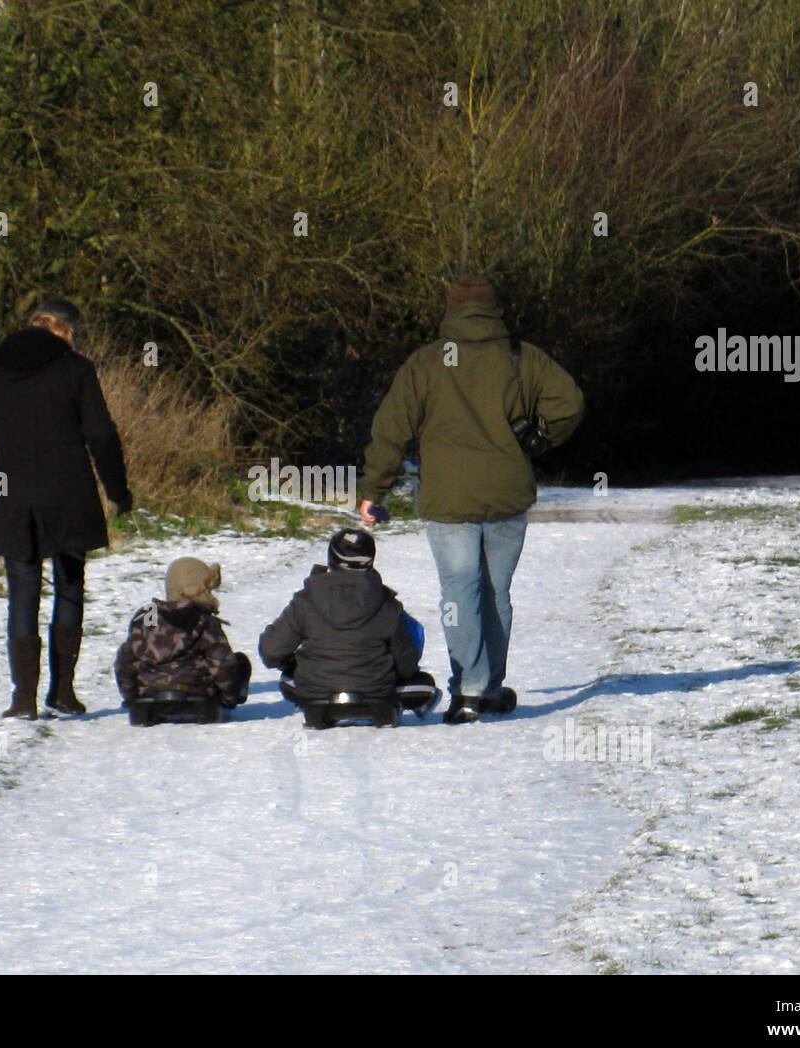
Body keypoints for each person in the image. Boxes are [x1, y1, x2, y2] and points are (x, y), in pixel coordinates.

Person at [354, 275, 584, 723]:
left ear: (450, 310)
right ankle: (491, 688)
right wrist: (538, 439)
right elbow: (570, 402)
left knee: (460, 591)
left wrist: (372, 492)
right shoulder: (521, 357)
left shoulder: (427, 363)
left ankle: (471, 689)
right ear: (494, 309)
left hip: (448, 498)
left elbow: (391, 430)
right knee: (496, 592)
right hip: (507, 494)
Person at [0, 297, 132, 720]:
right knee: (69, 587)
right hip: (69, 493)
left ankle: (23, 699)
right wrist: (118, 492)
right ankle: (63, 692)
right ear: (67, 331)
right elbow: (102, 435)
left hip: (11, 496)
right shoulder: (76, 370)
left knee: (22, 592)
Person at [258, 528, 438, 713]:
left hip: (315, 692)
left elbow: (271, 651)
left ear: (332, 559)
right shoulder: (387, 604)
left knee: (287, 677)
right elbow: (407, 666)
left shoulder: (305, 600)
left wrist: (292, 662)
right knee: (424, 684)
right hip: (376, 692)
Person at [114, 557, 251, 709]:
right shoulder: (204, 621)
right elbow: (222, 665)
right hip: (199, 693)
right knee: (240, 661)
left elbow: (126, 661)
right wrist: (228, 697)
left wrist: (131, 697)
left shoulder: (147, 619)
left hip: (149, 692)